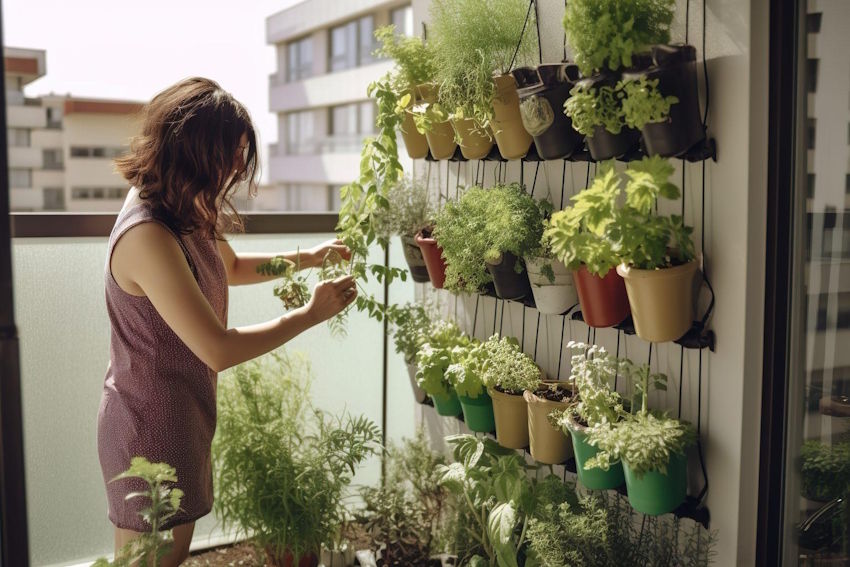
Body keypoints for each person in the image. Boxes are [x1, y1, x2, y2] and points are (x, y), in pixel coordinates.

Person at [96, 77, 357, 566]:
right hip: (146, 430)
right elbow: (216, 348)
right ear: (193, 149)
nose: (238, 166)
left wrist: (306, 258)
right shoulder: (148, 235)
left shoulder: (184, 204)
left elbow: (230, 268)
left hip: (180, 414)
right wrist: (309, 314)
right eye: (231, 153)